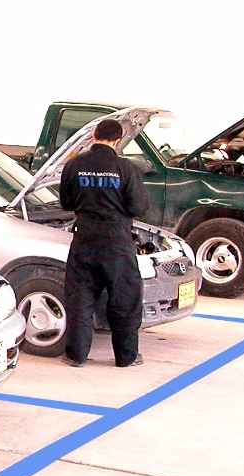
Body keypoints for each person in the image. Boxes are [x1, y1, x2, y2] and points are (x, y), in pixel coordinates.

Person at [58, 118, 150, 368]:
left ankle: (76, 355)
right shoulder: (126, 169)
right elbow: (138, 207)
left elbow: (66, 203)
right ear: (118, 141)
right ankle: (126, 357)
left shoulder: (74, 165)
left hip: (84, 239)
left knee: (80, 298)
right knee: (125, 299)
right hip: (117, 242)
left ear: (93, 136)